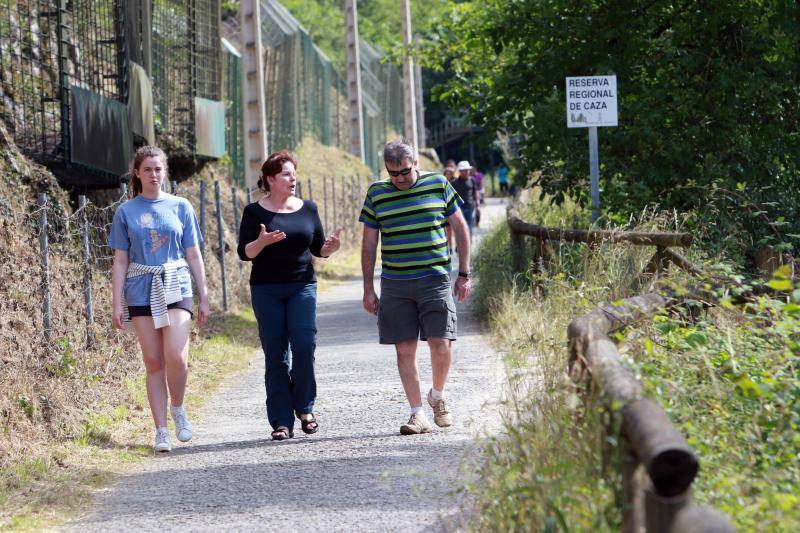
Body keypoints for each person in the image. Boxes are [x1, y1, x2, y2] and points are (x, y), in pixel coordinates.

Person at [360, 140, 472, 435]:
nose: (398, 179)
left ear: (416, 164)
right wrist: (368, 288)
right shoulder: (377, 193)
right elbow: (369, 242)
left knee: (441, 343)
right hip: (396, 283)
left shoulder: (438, 184)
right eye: (392, 173)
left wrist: (464, 274)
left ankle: (437, 395)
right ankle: (417, 413)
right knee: (404, 349)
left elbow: (460, 227)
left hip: (434, 278)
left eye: (404, 172)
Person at [110, 145, 209, 453]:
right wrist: (117, 303)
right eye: (148, 169)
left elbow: (193, 253)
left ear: (165, 172)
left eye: (158, 169)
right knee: (153, 361)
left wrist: (204, 296)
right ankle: (161, 430)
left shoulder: (181, 206)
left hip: (176, 284)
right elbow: (121, 261)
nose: (154, 174)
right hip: (140, 287)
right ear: (137, 174)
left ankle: (178, 408)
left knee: (176, 357)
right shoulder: (126, 211)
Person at [237, 150, 341, 441]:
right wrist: (261, 242)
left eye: (294, 174)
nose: (292, 179)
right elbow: (244, 253)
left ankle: (305, 408)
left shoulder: (308, 208)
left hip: (302, 286)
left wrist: (330, 248)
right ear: (270, 179)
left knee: (305, 345)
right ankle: (281, 421)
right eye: (286, 174)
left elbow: (318, 248)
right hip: (266, 289)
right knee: (276, 354)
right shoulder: (254, 212)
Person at [452, 160, 480, 239]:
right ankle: (459, 245)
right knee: (460, 228)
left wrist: (477, 205)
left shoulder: (472, 180)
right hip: (459, 209)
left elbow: (475, 193)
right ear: (460, 171)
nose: (467, 172)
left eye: (468, 170)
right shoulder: (454, 183)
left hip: (470, 207)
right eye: (465, 170)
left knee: (469, 227)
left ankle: (469, 245)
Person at [442, 165, 457, 253]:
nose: (448, 175)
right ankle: (450, 247)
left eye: (449, 174)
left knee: (456, 229)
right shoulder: (442, 183)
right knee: (448, 230)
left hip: (454, 208)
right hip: (445, 209)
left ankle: (457, 246)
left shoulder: (455, 183)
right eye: (446, 174)